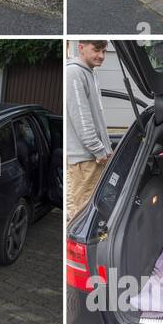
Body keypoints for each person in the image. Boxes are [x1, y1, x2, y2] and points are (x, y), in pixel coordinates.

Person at [64, 41, 112, 217]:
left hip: (92, 158)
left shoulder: (89, 72)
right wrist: (100, 151)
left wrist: (106, 150)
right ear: (81, 47)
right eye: (97, 50)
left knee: (87, 209)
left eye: (104, 51)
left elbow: (94, 117)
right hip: (86, 160)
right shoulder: (74, 73)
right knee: (82, 213)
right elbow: (82, 120)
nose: (101, 56)